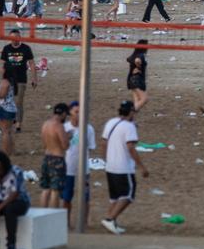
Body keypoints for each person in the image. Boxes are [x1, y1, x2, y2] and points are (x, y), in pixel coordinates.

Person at [101, 100, 149, 235]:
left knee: (116, 197)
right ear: (131, 112)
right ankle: (110, 219)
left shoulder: (111, 123)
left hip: (110, 166)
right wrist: (141, 167)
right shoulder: (129, 127)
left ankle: (110, 221)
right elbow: (130, 147)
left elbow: (103, 143)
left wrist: (106, 159)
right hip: (123, 167)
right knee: (128, 195)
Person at [60, 100, 96, 227]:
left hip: (84, 168)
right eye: (76, 112)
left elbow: (91, 148)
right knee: (67, 196)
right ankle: (66, 222)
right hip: (68, 167)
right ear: (70, 112)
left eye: (80, 112)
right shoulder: (65, 128)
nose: (79, 114)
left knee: (85, 196)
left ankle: (85, 221)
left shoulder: (89, 128)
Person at [0, 29, 35, 134]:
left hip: (21, 79)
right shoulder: (6, 48)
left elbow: (32, 63)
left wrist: (34, 78)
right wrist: (3, 79)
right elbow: (2, 64)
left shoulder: (26, 48)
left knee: (19, 102)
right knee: (9, 102)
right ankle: (11, 120)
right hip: (9, 80)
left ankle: (18, 125)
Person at [38, 103, 70, 208]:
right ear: (63, 113)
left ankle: (42, 214)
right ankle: (53, 215)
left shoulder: (45, 125)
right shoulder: (58, 126)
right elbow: (65, 145)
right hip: (57, 159)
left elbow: (44, 144)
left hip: (46, 157)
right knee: (55, 191)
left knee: (45, 189)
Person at [126, 42, 149, 112]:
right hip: (137, 80)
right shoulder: (140, 55)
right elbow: (137, 60)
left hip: (131, 79)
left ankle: (130, 118)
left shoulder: (134, 55)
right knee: (144, 99)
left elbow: (128, 59)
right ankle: (128, 114)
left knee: (137, 101)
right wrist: (138, 67)